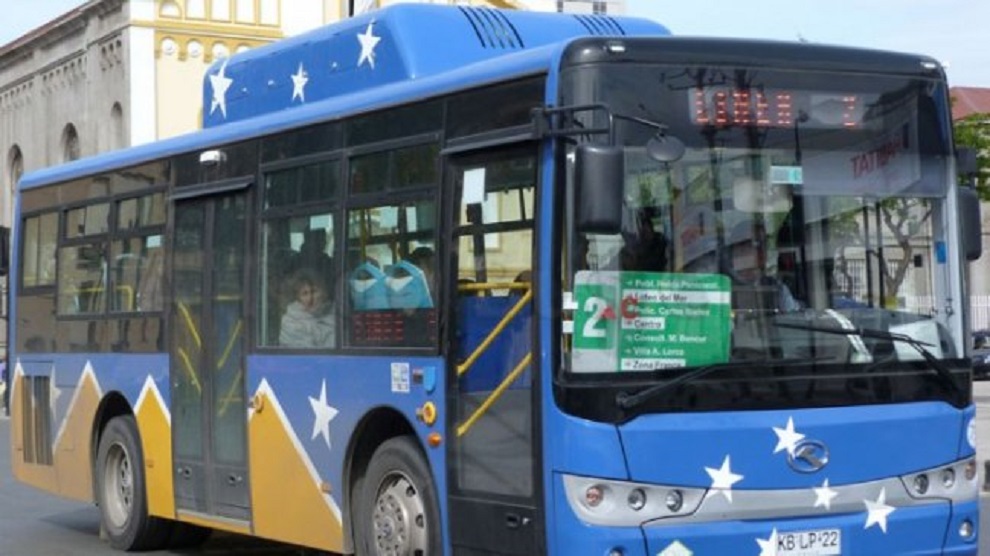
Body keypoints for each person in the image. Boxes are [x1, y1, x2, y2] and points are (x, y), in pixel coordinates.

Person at [727, 220, 802, 313]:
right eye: (756, 244)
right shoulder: (720, 285)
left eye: (765, 244)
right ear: (738, 249)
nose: (763, 250)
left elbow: (794, 314)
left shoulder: (776, 287)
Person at [280, 269, 335, 348]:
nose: (310, 298)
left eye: (314, 291)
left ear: (324, 292)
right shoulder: (290, 322)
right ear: (298, 298)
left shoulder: (336, 314)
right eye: (304, 294)